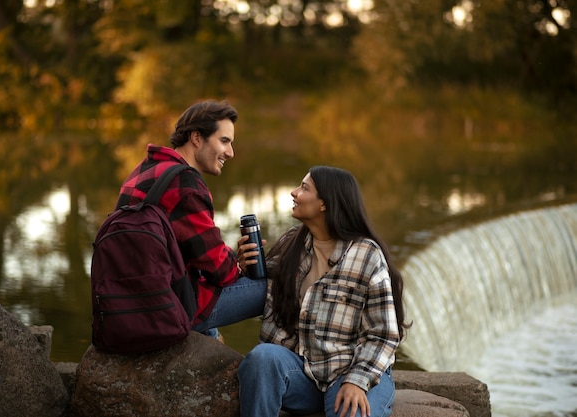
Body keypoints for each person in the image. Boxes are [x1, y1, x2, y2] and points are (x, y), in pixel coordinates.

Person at [237, 165, 409, 417]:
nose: (294, 193)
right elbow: (258, 283)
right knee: (262, 358)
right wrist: (241, 265)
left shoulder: (366, 255)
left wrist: (356, 380)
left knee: (351, 410)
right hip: (302, 373)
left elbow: (383, 334)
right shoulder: (291, 243)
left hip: (349, 370)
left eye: (304, 188)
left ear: (324, 204)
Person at [115, 99, 266, 340]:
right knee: (274, 290)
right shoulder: (185, 184)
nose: (230, 152)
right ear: (197, 138)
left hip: (126, 301)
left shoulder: (145, 168)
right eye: (224, 141)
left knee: (206, 294)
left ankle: (210, 343)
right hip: (166, 308)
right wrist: (239, 264)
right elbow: (221, 271)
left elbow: (188, 250)